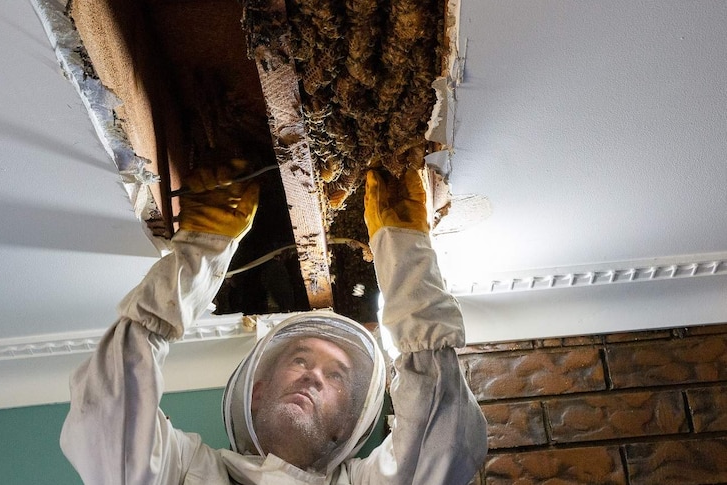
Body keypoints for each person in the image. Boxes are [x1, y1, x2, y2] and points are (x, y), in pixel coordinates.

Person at [60, 161, 488, 484]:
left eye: (336, 376)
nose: (314, 377)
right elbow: (107, 424)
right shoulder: (191, 473)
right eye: (301, 360)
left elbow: (443, 444)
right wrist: (405, 244)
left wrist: (201, 249)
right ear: (258, 391)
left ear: (348, 423)